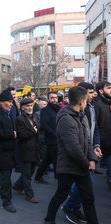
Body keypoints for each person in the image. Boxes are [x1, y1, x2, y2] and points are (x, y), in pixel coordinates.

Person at [44, 86, 98, 224]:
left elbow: (88, 140)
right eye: (86, 100)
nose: (88, 102)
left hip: (82, 166)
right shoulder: (66, 119)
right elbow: (73, 148)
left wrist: (92, 159)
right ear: (81, 101)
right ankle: (49, 220)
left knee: (88, 199)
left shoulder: (81, 115)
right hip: (68, 167)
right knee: (60, 195)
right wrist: (88, 164)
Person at [61, 82, 102, 224]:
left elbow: (94, 129)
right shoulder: (71, 113)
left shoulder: (91, 108)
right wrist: (87, 161)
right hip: (80, 154)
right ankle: (70, 207)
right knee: (82, 186)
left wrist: (96, 146)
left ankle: (74, 207)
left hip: (89, 151)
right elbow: (73, 143)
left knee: (84, 187)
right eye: (91, 92)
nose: (94, 94)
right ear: (81, 96)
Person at [12, 99, 40, 204]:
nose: (29, 107)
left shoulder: (35, 117)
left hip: (35, 149)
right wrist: (33, 131)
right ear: (22, 107)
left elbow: (38, 133)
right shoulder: (19, 119)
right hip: (25, 150)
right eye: (27, 106)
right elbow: (22, 135)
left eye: (31, 105)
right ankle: (29, 195)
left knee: (31, 171)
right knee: (27, 174)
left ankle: (17, 185)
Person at [35, 91, 60, 184]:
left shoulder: (58, 109)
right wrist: (54, 133)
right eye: (52, 98)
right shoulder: (45, 110)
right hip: (51, 140)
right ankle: (60, 180)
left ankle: (38, 176)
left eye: (56, 97)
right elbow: (44, 125)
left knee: (47, 160)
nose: (54, 99)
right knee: (56, 161)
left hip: (57, 139)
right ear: (48, 99)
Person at [92, 81, 111, 190]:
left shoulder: (108, 103)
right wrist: (96, 144)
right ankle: (71, 203)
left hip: (108, 145)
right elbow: (96, 127)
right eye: (109, 88)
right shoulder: (96, 105)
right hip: (98, 145)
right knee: (87, 173)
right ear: (101, 91)